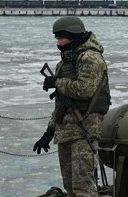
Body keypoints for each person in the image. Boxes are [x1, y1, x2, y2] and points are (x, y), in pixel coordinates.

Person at [33, 16, 111, 197]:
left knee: (83, 186)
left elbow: (85, 90)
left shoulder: (90, 58)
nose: (58, 42)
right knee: (70, 186)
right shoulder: (66, 62)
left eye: (61, 37)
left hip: (84, 129)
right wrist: (50, 130)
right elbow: (62, 103)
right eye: (57, 38)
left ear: (73, 35)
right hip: (66, 131)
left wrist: (57, 82)